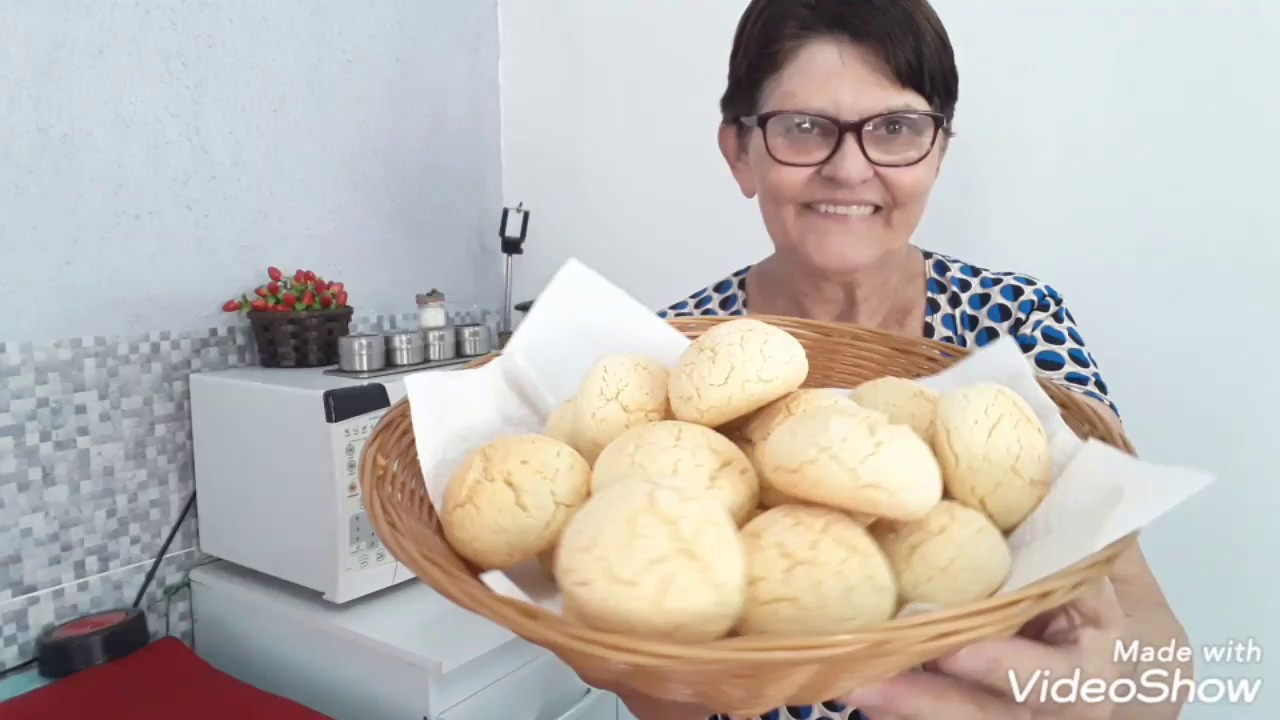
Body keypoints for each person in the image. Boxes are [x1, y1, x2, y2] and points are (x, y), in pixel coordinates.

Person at [603, 1, 1193, 719]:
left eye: (895, 128)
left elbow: (1155, 646)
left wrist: (1104, 702)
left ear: (939, 150)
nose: (850, 169)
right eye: (804, 127)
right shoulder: (677, 361)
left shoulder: (1016, 324)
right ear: (739, 152)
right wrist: (639, 665)